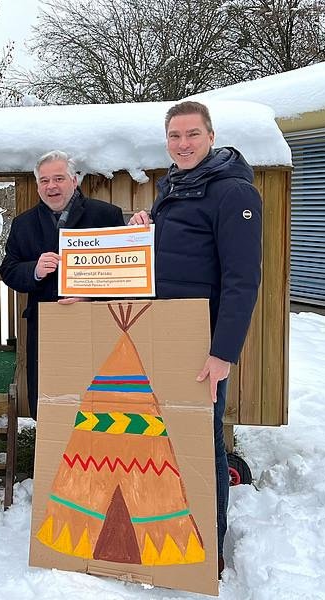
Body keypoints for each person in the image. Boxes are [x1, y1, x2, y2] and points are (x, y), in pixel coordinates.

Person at [128, 100, 262, 578]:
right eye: (175, 136)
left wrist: (222, 352)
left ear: (210, 136)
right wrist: (148, 226)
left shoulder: (234, 193)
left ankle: (209, 544)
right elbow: (182, 249)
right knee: (165, 437)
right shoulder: (174, 187)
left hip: (200, 341)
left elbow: (243, 279)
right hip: (164, 329)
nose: (182, 144)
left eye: (191, 135)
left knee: (203, 443)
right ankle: (165, 531)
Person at [0, 150, 124, 419]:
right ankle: (50, 453)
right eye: (44, 181)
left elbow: (123, 275)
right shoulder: (24, 224)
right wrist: (33, 269)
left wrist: (90, 298)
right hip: (45, 327)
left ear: (74, 180)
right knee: (49, 401)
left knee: (97, 401)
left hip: (95, 324)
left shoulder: (105, 216)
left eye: (58, 178)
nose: (51, 186)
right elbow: (8, 270)